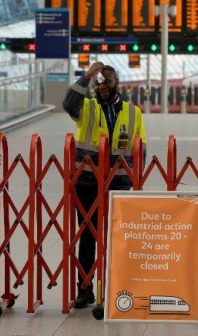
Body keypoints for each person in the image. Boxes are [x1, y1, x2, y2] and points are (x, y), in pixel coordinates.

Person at [62, 61, 147, 308]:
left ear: (117, 82)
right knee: (87, 235)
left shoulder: (134, 113)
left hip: (118, 185)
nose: (102, 86)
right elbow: (68, 104)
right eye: (98, 82)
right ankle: (85, 288)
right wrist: (86, 75)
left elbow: (140, 148)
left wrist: (133, 181)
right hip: (87, 183)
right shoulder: (86, 108)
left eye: (106, 81)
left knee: (118, 236)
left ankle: (117, 288)